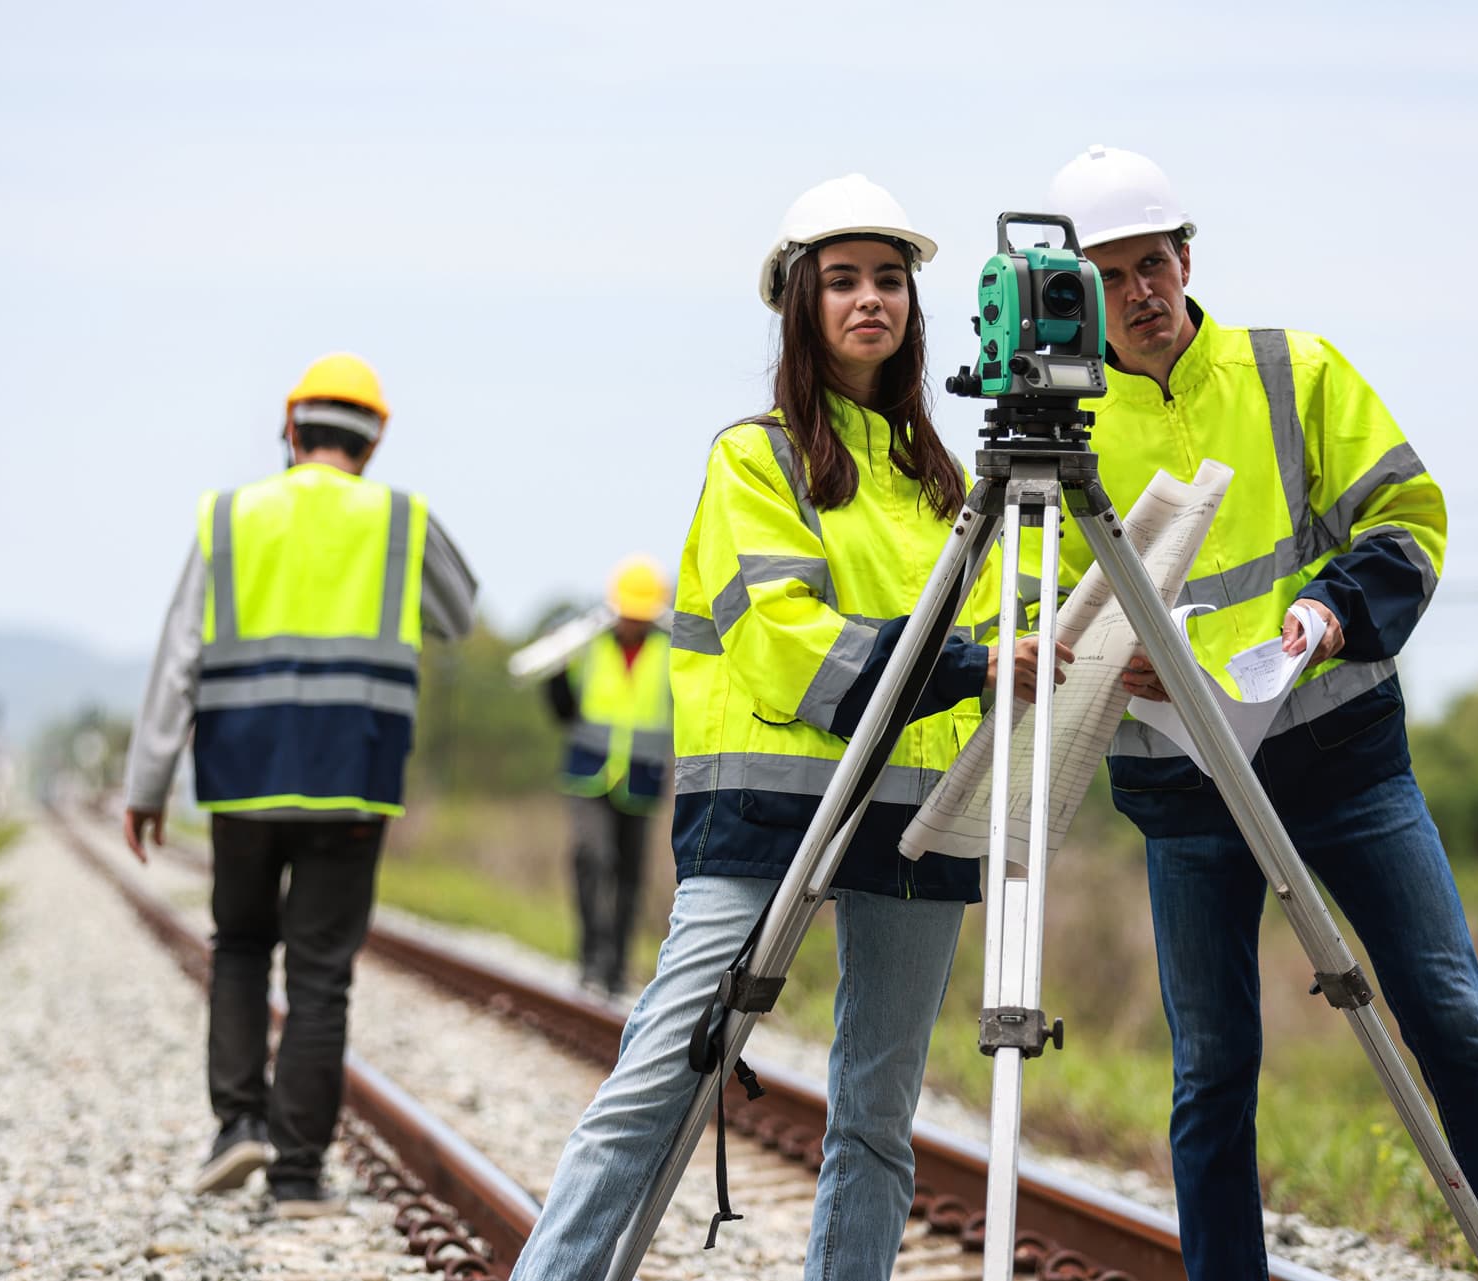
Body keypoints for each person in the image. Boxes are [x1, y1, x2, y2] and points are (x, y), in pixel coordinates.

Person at [505, 175, 1067, 1281]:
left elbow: (1014, 615)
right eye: (846, 280)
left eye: (891, 280)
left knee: (876, 1121)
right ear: (800, 304)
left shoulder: (942, 477)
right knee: (663, 1077)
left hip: (918, 816)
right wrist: (968, 662)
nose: (873, 301)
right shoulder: (755, 458)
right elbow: (785, 639)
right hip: (771, 809)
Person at [1044, 144, 1478, 1279]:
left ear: (1187, 258)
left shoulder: (1296, 370)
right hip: (1186, 795)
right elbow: (1035, 620)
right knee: (1214, 1069)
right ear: (1076, 293)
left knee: (1454, 1026)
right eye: (1110, 275)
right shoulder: (1064, 426)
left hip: (1344, 764)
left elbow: (1409, 515)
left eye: (1153, 264)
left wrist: (1335, 611)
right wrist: (1104, 661)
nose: (1139, 292)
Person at [121, 353, 478, 1217]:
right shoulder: (400, 520)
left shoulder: (231, 516)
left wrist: (148, 781)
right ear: (378, 436)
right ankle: (297, 1176)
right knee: (321, 974)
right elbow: (457, 614)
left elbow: (179, 657)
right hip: (352, 778)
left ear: (289, 428)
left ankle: (238, 1122)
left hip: (242, 780)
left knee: (241, 945)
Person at [542, 555, 674, 996]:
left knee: (629, 875)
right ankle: (590, 958)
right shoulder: (589, 644)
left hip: (640, 780)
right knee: (592, 856)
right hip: (589, 773)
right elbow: (562, 709)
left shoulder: (670, 650)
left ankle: (615, 968)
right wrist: (555, 673)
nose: (633, 623)